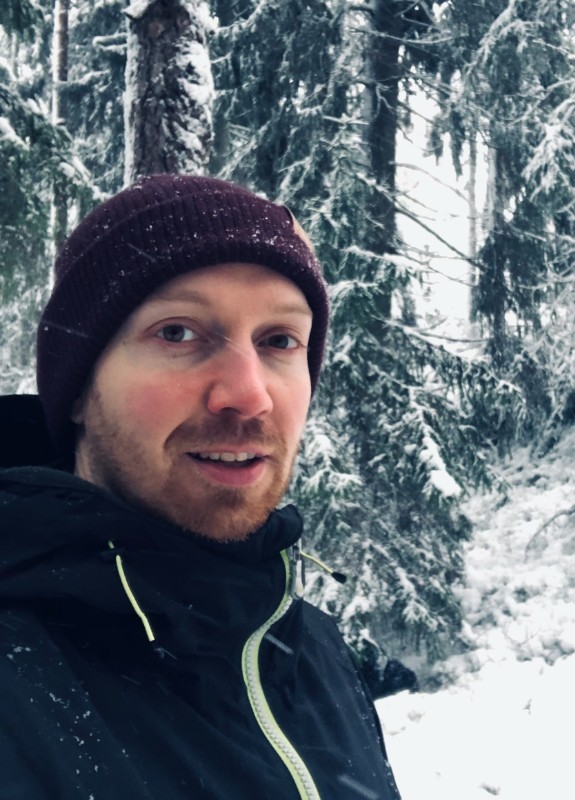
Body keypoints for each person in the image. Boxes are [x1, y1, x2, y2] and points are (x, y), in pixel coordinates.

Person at [0, 174, 402, 799]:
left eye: (279, 340)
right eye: (177, 332)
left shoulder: (315, 654)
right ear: (78, 390)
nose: (248, 394)